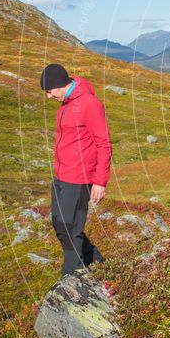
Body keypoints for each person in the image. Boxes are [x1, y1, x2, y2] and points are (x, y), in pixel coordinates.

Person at [40, 63, 111, 276]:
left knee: (71, 227)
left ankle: (72, 274)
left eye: (50, 91)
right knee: (59, 223)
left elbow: (104, 144)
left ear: (60, 85)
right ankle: (95, 258)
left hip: (79, 178)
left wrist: (99, 181)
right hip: (61, 175)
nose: (49, 96)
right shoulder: (67, 103)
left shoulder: (90, 104)